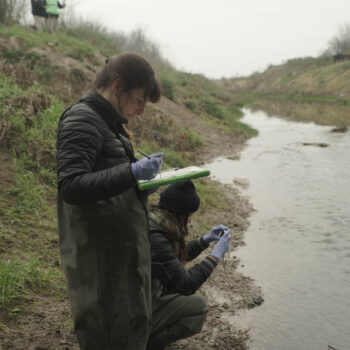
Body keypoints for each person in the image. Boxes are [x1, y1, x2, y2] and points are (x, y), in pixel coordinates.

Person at [56, 53, 163, 350]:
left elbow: (109, 179)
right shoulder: (82, 119)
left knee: (129, 326)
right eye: (140, 100)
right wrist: (131, 173)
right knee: (108, 331)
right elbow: (71, 186)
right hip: (100, 258)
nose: (141, 111)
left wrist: (142, 184)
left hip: (118, 251)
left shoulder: (109, 122)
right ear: (118, 87)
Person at [147, 180, 231, 350]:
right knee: (198, 307)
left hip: (136, 296)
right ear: (178, 213)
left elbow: (170, 259)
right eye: (189, 216)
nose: (191, 221)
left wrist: (204, 241)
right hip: (130, 308)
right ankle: (145, 344)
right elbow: (185, 284)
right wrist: (214, 257)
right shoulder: (155, 237)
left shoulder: (155, 221)